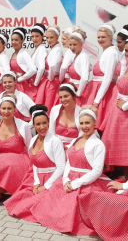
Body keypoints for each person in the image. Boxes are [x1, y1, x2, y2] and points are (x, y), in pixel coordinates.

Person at [30, 107, 113, 235]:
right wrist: (66, 180)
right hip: (69, 179)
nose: (84, 126)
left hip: (86, 182)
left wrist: (75, 184)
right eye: (81, 123)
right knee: (50, 207)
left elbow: (97, 171)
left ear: (94, 123)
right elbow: (68, 162)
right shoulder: (75, 140)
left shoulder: (98, 145)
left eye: (87, 123)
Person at [4, 104, 65, 221]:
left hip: (54, 180)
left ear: (48, 123)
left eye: (44, 123)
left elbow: (61, 168)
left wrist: (46, 186)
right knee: (15, 202)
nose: (42, 127)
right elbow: (35, 164)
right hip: (38, 178)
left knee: (31, 206)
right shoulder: (33, 140)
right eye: (38, 124)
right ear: (34, 125)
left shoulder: (55, 141)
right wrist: (36, 183)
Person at [82, 24, 119, 128]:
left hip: (103, 93)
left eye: (103, 37)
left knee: (98, 123)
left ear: (111, 37)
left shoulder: (111, 52)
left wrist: (96, 100)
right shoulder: (107, 51)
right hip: (97, 90)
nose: (100, 39)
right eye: (98, 37)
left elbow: (108, 78)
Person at [100, 41, 128, 179]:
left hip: (125, 112)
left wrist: (125, 105)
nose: (126, 53)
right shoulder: (125, 66)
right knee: (122, 152)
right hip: (119, 114)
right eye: (126, 51)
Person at [35, 25, 63, 113]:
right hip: (48, 81)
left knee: (49, 104)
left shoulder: (57, 50)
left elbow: (52, 66)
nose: (49, 40)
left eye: (51, 37)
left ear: (57, 37)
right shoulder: (53, 49)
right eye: (47, 38)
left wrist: (50, 77)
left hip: (52, 81)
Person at [60, 30, 90, 106]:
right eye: (70, 45)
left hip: (77, 90)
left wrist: (79, 93)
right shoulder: (76, 56)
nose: (72, 47)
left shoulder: (83, 57)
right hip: (72, 88)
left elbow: (84, 78)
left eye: (75, 44)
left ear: (81, 44)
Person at [10, 27, 37, 101]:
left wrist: (21, 78)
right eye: (12, 40)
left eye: (16, 40)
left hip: (23, 86)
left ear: (22, 41)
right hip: (14, 85)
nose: (13, 42)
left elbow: (33, 69)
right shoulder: (13, 54)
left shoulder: (24, 53)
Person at [30, 23, 47, 103]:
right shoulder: (37, 48)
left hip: (38, 82)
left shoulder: (41, 49)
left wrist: (35, 83)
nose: (34, 39)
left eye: (37, 36)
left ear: (42, 37)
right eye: (32, 36)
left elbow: (41, 67)